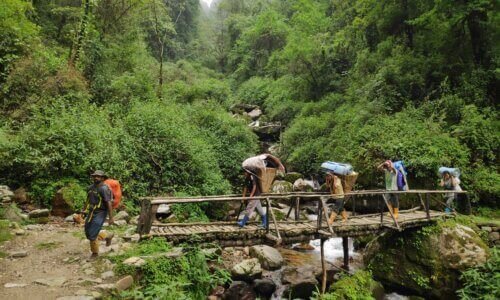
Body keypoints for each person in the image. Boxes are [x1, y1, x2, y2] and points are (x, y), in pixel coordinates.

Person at [83, 170, 114, 257]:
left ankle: (95, 253)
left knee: (92, 234)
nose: (96, 178)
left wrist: (111, 217)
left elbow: (108, 203)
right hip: (91, 211)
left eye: (98, 176)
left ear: (103, 178)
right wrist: (84, 210)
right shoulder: (90, 188)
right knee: (87, 232)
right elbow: (87, 200)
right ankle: (108, 235)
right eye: (95, 176)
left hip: (101, 212)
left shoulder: (104, 188)